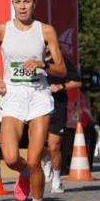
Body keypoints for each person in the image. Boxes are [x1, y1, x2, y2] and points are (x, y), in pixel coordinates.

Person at [0, 0, 66, 201]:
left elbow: (61, 70)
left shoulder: (46, 31)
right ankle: (22, 175)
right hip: (14, 96)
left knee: (34, 160)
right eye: (17, 1)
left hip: (39, 96)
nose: (22, 6)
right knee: (10, 158)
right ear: (12, 3)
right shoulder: (2, 30)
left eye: (26, 2)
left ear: (34, 4)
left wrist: (42, 64)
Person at [41, 48, 82, 193]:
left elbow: (77, 82)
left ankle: (57, 180)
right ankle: (46, 157)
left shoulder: (61, 61)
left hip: (57, 106)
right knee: (37, 146)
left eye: (47, 43)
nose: (44, 45)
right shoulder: (31, 59)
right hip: (36, 107)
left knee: (54, 146)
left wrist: (60, 86)